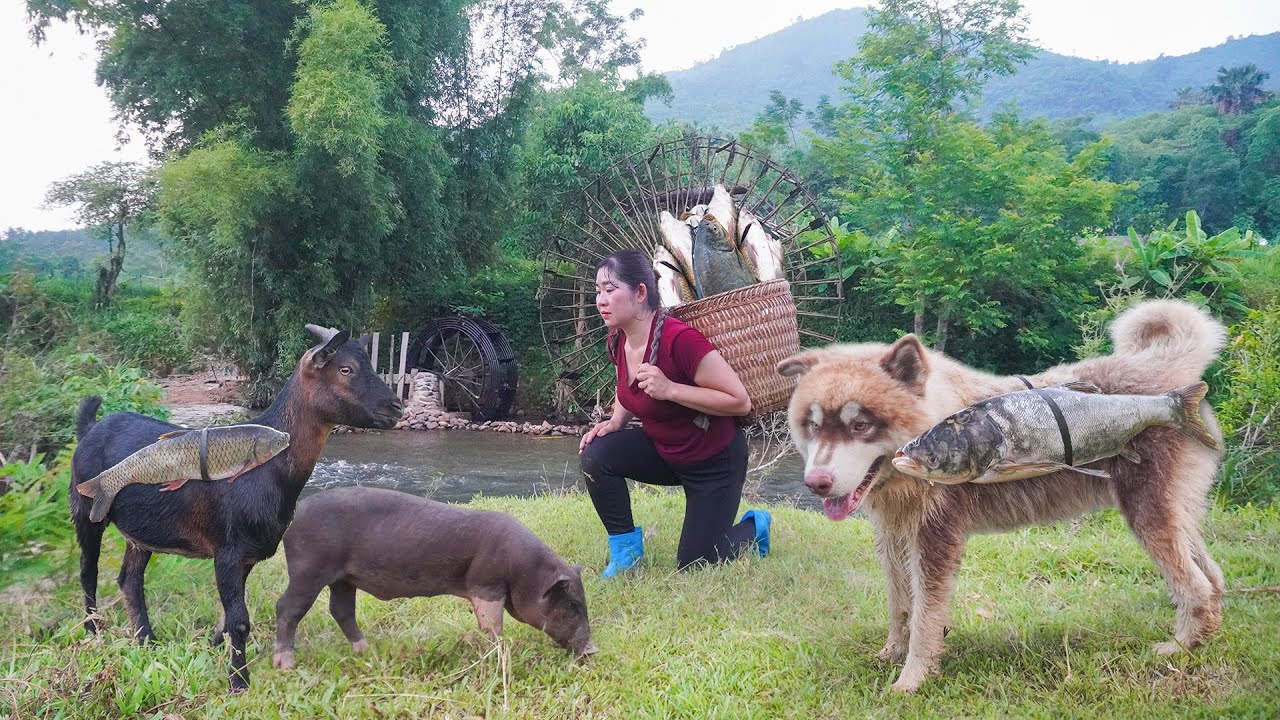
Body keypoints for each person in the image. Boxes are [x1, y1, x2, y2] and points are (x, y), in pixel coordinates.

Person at [579, 249, 771, 577]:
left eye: (610, 290)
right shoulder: (618, 339)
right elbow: (626, 386)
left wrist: (670, 390)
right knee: (596, 453)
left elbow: (740, 401)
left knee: (695, 564)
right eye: (598, 291)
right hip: (666, 451)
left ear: (641, 293)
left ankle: (756, 526)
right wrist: (615, 421)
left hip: (714, 463)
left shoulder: (680, 340)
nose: (601, 300)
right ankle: (626, 552)